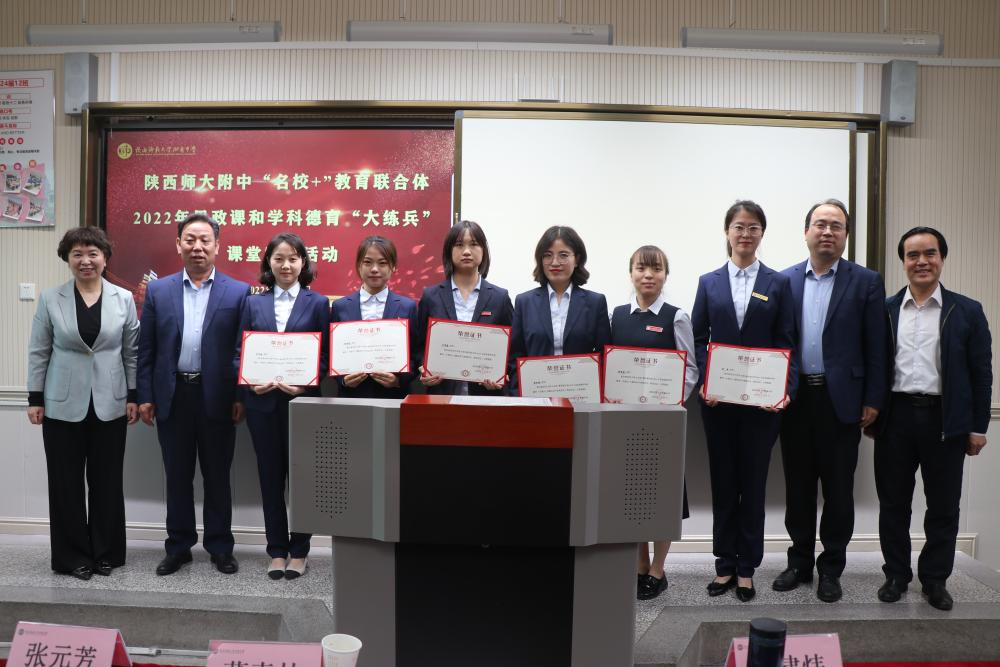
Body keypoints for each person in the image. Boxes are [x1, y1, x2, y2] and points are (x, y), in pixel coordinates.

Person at [773, 199, 887, 603]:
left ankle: (831, 569)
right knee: (798, 488)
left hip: (843, 401)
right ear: (806, 232)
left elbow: (877, 345)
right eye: (820, 224)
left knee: (839, 491)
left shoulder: (866, 281)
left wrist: (874, 398)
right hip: (796, 398)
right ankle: (800, 562)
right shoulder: (783, 281)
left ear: (846, 235)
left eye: (836, 226)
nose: (827, 232)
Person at [872, 227, 992, 611]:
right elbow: (872, 365)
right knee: (894, 503)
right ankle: (896, 575)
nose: (921, 261)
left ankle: (935, 579)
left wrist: (977, 427)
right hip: (895, 417)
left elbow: (981, 373)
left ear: (942, 258)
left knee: (943, 506)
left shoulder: (967, 311)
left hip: (946, 420)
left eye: (930, 253)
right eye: (913, 255)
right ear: (903, 261)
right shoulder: (885, 310)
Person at [691, 200, 797, 602]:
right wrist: (706, 381)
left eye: (753, 227)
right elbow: (698, 338)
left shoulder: (778, 283)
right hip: (718, 404)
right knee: (723, 484)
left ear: (761, 233)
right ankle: (724, 565)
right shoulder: (709, 282)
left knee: (752, 487)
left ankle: (748, 567)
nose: (745, 234)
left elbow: (786, 342)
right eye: (739, 226)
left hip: (761, 407)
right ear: (727, 232)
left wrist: (783, 390)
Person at [137, 213, 249, 576]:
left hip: (218, 397)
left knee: (218, 476)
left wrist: (239, 396)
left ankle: (220, 547)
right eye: (190, 239)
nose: (197, 247)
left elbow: (242, 349)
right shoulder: (159, 290)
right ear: (178, 244)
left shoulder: (238, 292)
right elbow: (147, 348)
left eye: (204, 240)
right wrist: (145, 395)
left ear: (217, 246)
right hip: (173, 396)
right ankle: (178, 546)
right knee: (177, 476)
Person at [26, 227, 140, 580]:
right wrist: (35, 397)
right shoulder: (51, 299)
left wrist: (134, 395)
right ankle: (71, 556)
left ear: (105, 258)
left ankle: (106, 553)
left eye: (93, 253)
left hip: (111, 403)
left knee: (107, 482)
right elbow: (39, 351)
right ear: (67, 258)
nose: (85, 260)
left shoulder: (123, 298)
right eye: (77, 253)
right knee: (65, 484)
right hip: (61, 405)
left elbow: (132, 352)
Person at [609, 245, 699, 601]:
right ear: (631, 273)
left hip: (664, 422)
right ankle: (640, 565)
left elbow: (690, 369)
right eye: (641, 268)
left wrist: (672, 400)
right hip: (626, 421)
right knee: (631, 494)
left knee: (663, 495)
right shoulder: (618, 316)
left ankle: (658, 570)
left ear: (665, 274)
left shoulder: (676, 317)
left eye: (656, 269)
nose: (648, 275)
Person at [238, 233, 329, 580]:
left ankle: (300, 550)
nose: (286, 265)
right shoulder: (253, 303)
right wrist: (249, 381)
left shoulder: (318, 303)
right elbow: (239, 352)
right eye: (279, 258)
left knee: (303, 479)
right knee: (269, 478)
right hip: (262, 404)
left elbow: (326, 356)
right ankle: (276, 550)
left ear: (303, 262)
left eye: (293, 258)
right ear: (269, 263)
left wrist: (305, 383)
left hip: (302, 405)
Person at [414, 220, 513, 395]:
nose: (466, 251)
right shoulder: (431, 296)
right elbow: (418, 344)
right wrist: (424, 367)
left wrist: (501, 375)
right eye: (459, 245)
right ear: (449, 251)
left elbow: (512, 348)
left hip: (486, 397)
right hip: (442, 396)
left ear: (483, 250)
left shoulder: (500, 298)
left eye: (474, 244)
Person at [509, 225, 611, 391]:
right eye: (547, 255)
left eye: (563, 255)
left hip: (581, 397)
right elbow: (515, 355)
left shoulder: (595, 302)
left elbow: (604, 356)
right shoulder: (524, 302)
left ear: (577, 259)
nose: (555, 262)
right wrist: (518, 393)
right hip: (536, 397)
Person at [332, 235, 417, 399]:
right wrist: (343, 380)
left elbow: (416, 353)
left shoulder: (408, 307)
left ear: (393, 266)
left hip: (392, 397)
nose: (374, 269)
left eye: (382, 263)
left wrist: (398, 380)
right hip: (351, 397)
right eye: (367, 262)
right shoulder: (340, 307)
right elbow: (331, 353)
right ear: (358, 265)